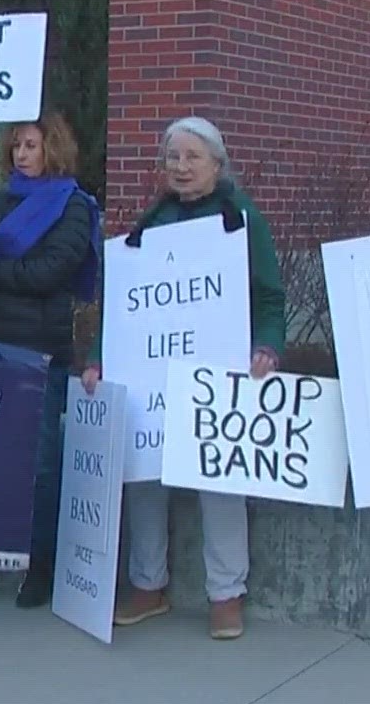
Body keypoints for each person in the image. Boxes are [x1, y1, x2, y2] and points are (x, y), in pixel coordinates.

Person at [80, 116, 285, 641]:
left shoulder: (240, 219)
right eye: (173, 157)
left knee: (218, 479)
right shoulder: (151, 223)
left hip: (216, 372)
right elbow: (123, 310)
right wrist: (101, 359)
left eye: (193, 157)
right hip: (155, 374)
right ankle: (148, 585)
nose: (181, 166)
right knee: (144, 475)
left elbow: (267, 295)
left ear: (217, 163)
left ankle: (226, 593)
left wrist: (267, 347)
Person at [0, 113, 102, 607]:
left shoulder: (74, 207)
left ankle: (39, 563)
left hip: (39, 353)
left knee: (40, 468)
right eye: (16, 146)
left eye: (31, 146)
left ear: (52, 149)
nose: (22, 155)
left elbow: (51, 272)